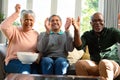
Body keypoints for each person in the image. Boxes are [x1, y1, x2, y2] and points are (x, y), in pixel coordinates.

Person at [72, 12, 120, 80]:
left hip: (112, 64)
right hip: (95, 64)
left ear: (104, 22)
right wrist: (76, 30)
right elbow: (78, 46)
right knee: (80, 64)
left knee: (104, 63)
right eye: (94, 21)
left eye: (100, 20)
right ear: (91, 23)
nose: (97, 23)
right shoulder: (87, 35)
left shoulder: (112, 32)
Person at [0, 4, 39, 74]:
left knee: (36, 73)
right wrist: (16, 13)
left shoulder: (36, 34)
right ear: (21, 20)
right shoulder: (14, 31)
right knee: (25, 72)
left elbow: (40, 49)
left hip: (31, 62)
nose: (29, 22)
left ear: (34, 21)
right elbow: (3, 26)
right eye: (26, 19)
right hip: (14, 61)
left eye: (31, 20)